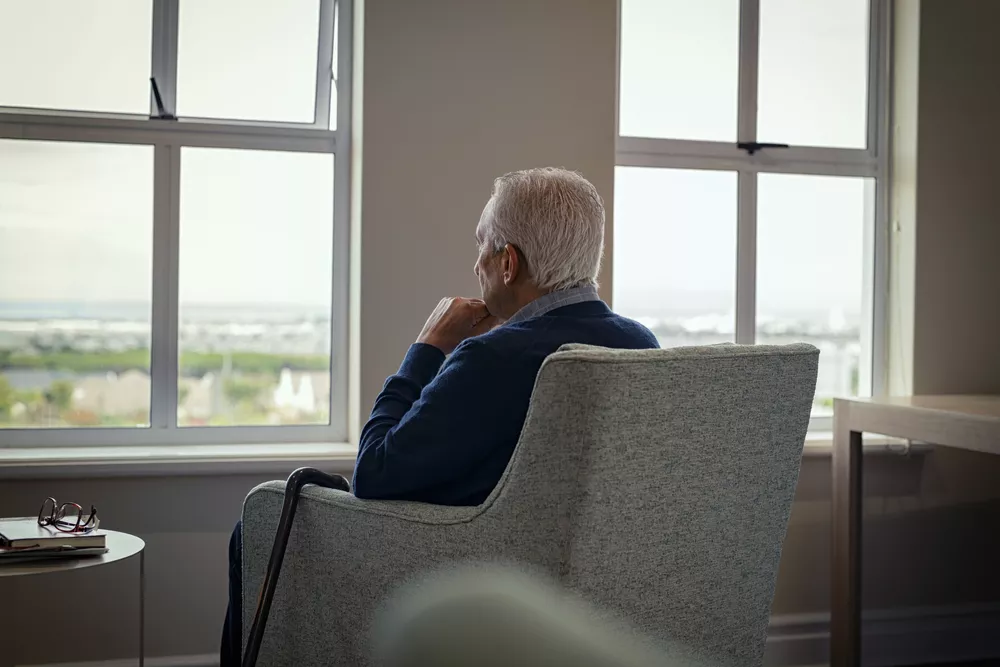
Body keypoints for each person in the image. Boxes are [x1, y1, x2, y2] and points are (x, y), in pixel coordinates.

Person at [221, 167, 658, 665]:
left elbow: (375, 473)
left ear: (508, 262)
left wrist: (427, 347)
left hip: (471, 568)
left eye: (482, 247)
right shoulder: (642, 346)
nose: (476, 264)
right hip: (585, 585)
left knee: (263, 518)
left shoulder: (494, 358)